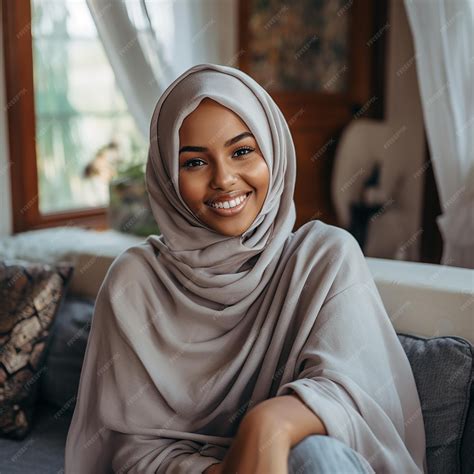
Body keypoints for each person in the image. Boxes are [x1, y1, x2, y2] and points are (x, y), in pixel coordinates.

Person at [64, 63, 427, 473]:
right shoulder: (135, 282)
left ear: (272, 151)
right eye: (195, 163)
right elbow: (132, 453)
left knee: (315, 455)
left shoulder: (322, 259)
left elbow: (355, 397)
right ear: (167, 175)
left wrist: (267, 424)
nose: (224, 179)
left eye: (241, 152)